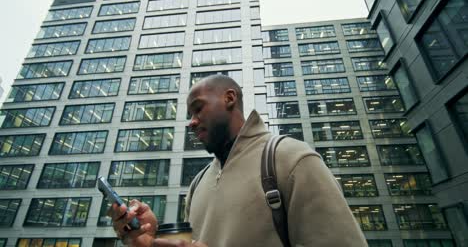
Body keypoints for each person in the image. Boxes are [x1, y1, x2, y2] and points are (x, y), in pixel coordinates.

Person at [109, 75, 368, 247]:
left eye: (198, 108)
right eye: (190, 114)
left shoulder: (292, 158)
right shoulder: (197, 184)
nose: (191, 121)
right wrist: (153, 235)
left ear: (230, 99)